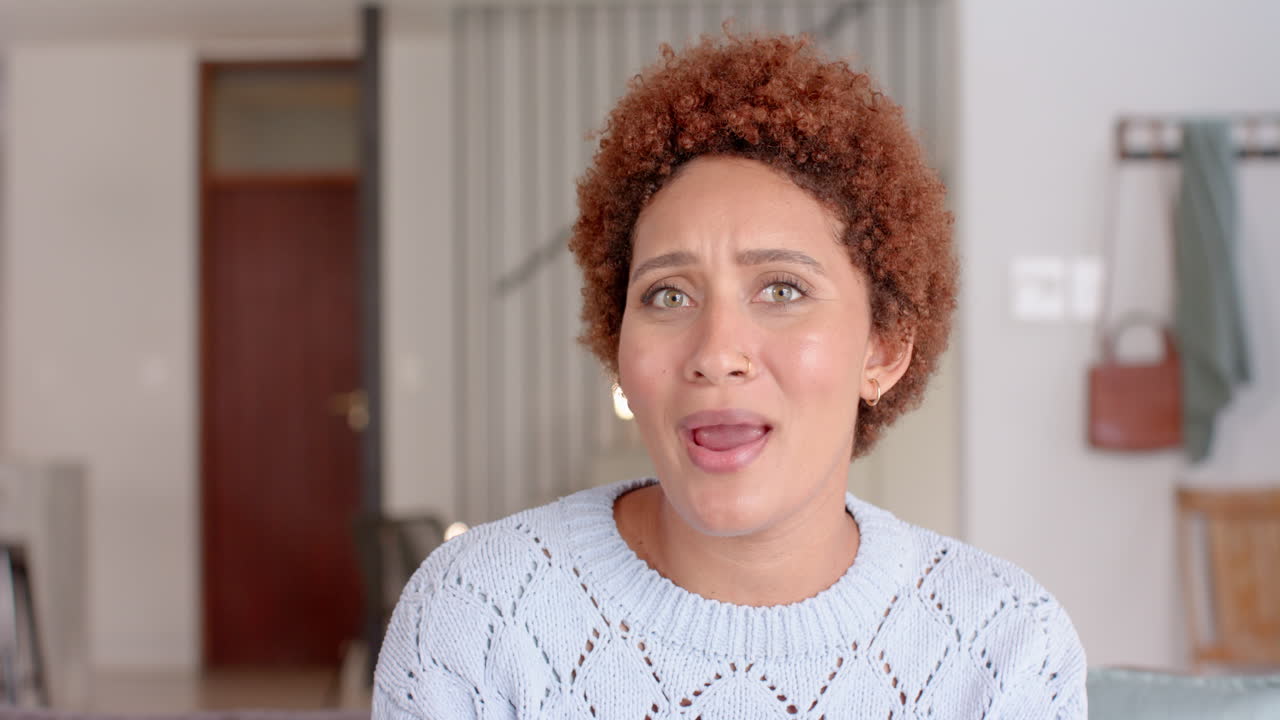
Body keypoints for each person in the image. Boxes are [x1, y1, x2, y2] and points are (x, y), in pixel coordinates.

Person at [374, 32, 1086, 719]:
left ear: (884, 349)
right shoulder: (477, 613)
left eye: (781, 289)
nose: (716, 351)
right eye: (668, 294)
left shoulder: (1005, 645)